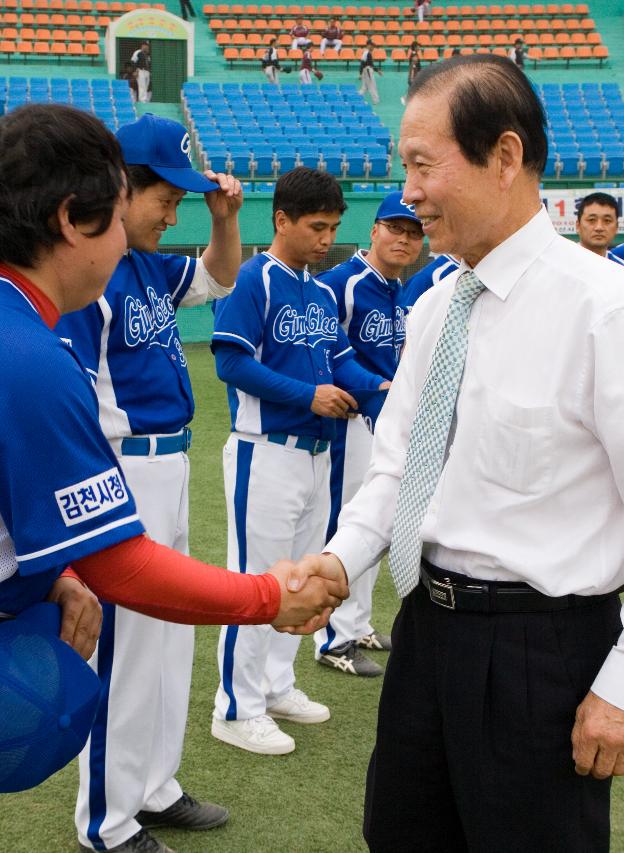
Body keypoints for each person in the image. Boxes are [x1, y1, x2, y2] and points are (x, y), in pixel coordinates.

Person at [0, 104, 346, 853]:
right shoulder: (20, 347)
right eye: (114, 219)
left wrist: (48, 578)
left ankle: (148, 784)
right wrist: (268, 595)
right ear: (72, 218)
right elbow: (122, 564)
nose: (128, 241)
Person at [299, 55, 624, 852]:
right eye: (403, 168)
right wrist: (341, 561)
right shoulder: (436, 307)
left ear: (506, 157)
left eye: (423, 164)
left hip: (540, 653)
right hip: (425, 634)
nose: (408, 192)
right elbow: (400, 466)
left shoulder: (609, 311)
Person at [53, 114, 246, 853]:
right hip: (119, 466)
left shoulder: (148, 264)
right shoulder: (90, 275)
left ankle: (154, 785)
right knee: (126, 653)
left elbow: (221, 274)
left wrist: (221, 218)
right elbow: (67, 397)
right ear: (120, 187)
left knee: (166, 644)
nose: (175, 211)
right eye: (166, 195)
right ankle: (103, 820)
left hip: (169, 463)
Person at [210, 167, 387, 757]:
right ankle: (235, 708)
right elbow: (231, 364)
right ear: (281, 219)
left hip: (315, 457)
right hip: (265, 453)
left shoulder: (316, 291)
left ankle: (277, 685)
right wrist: (306, 395)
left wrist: (386, 388)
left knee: (299, 579)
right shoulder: (252, 278)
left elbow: (342, 366)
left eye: (334, 227)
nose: (326, 238)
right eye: (316, 225)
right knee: (255, 581)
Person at [312, 192, 423, 678]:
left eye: (413, 231)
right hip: (350, 420)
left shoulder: (400, 289)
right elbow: (324, 349)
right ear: (374, 229)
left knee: (380, 519)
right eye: (394, 227)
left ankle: (355, 625)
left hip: (383, 420)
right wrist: (372, 385)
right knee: (348, 523)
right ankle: (331, 637)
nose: (403, 238)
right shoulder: (344, 282)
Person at [575, 192, 620, 258]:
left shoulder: (620, 267)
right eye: (592, 220)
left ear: (616, 227)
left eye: (607, 220)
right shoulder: (560, 262)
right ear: (578, 226)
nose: (599, 227)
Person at [358, 39, 380, 105]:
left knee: (364, 88)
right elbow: (364, 63)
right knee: (372, 86)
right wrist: (360, 73)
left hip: (366, 70)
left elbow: (364, 63)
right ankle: (376, 101)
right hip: (368, 70)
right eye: (372, 45)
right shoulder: (367, 53)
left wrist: (361, 73)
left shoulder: (367, 53)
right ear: (368, 45)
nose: (373, 47)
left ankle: (356, 97)